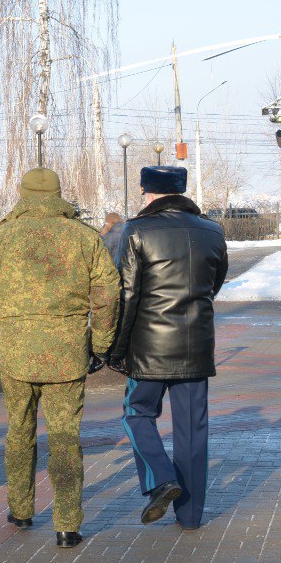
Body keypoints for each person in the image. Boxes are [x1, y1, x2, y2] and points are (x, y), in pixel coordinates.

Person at [0, 168, 120, 548]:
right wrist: (100, 343)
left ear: (24, 194)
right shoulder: (85, 237)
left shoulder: (0, 237)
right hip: (66, 354)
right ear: (59, 193)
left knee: (19, 431)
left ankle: (21, 509)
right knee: (65, 438)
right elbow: (108, 294)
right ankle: (67, 524)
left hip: (16, 353)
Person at [110, 166, 228, 530]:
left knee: (137, 412)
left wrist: (117, 347)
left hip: (149, 346)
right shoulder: (212, 231)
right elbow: (214, 283)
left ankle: (162, 479)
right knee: (193, 429)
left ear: (150, 193)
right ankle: (191, 516)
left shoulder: (137, 230)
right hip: (197, 344)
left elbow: (127, 295)